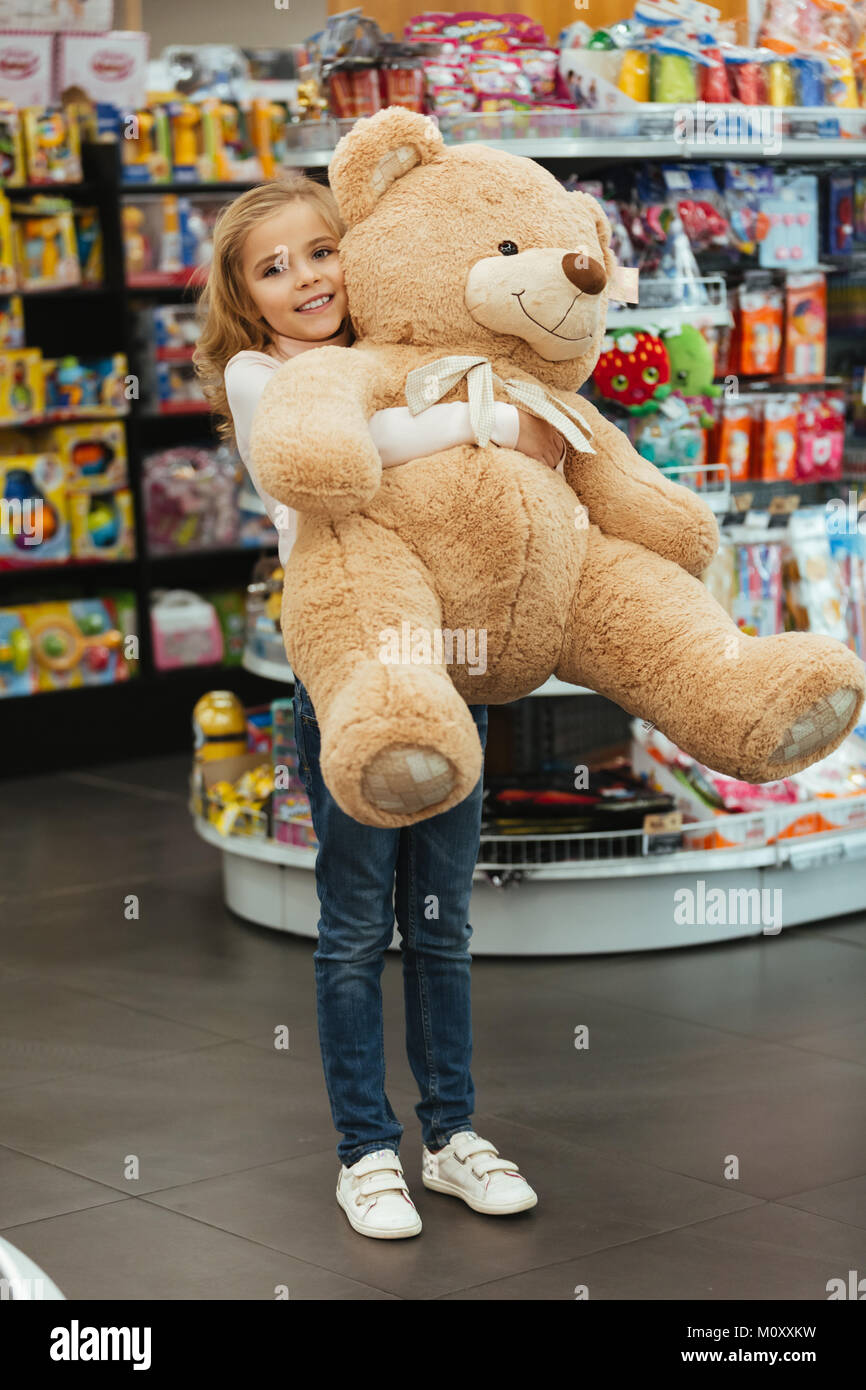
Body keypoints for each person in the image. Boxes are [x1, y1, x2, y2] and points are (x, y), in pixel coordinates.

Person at [195, 172, 564, 1240]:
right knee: (356, 923)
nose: (307, 277)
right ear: (245, 297)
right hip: (351, 672)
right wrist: (486, 416)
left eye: (322, 250)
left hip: (447, 661)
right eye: (275, 267)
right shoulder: (265, 379)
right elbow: (356, 462)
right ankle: (365, 1151)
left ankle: (450, 1135)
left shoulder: (405, 352)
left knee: (441, 922)